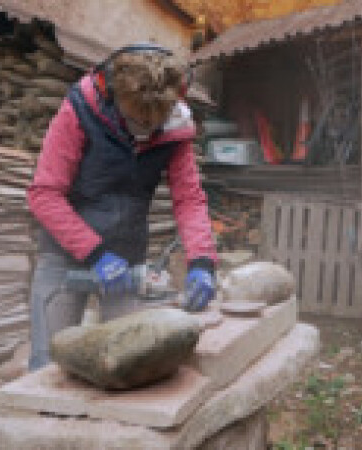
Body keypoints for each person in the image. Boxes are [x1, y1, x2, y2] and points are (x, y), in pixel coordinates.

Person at [26, 43, 218, 370]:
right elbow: (44, 194)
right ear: (114, 95)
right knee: (48, 366)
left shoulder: (175, 127)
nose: (145, 131)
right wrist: (96, 254)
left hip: (127, 261)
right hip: (63, 256)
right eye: (136, 120)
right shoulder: (80, 110)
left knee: (129, 362)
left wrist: (202, 261)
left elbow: (188, 199)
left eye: (153, 123)